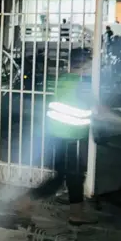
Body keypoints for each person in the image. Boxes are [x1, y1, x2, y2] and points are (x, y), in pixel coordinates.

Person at [18, 73, 98, 225]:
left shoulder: (62, 80)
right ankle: (27, 200)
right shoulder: (83, 83)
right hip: (72, 137)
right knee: (70, 177)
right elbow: (97, 107)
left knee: (69, 176)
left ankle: (75, 213)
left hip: (56, 134)